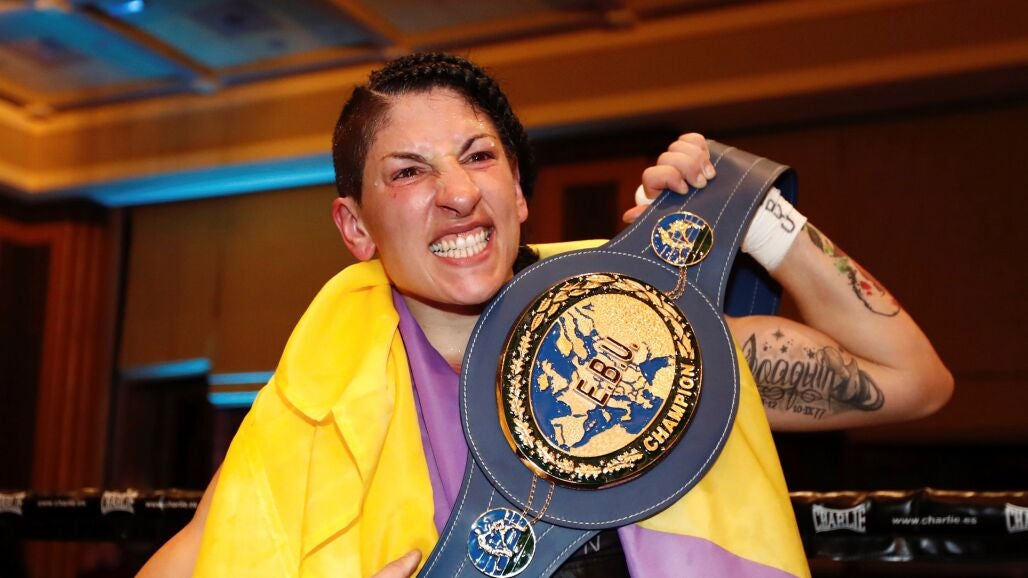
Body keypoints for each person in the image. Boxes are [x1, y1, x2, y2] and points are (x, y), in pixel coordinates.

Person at [138, 53, 952, 577]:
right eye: (409, 172)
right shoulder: (320, 404)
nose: (459, 193)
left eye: (479, 156)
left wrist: (750, 213)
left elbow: (912, 378)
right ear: (355, 227)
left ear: (519, 194)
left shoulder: (635, 333)